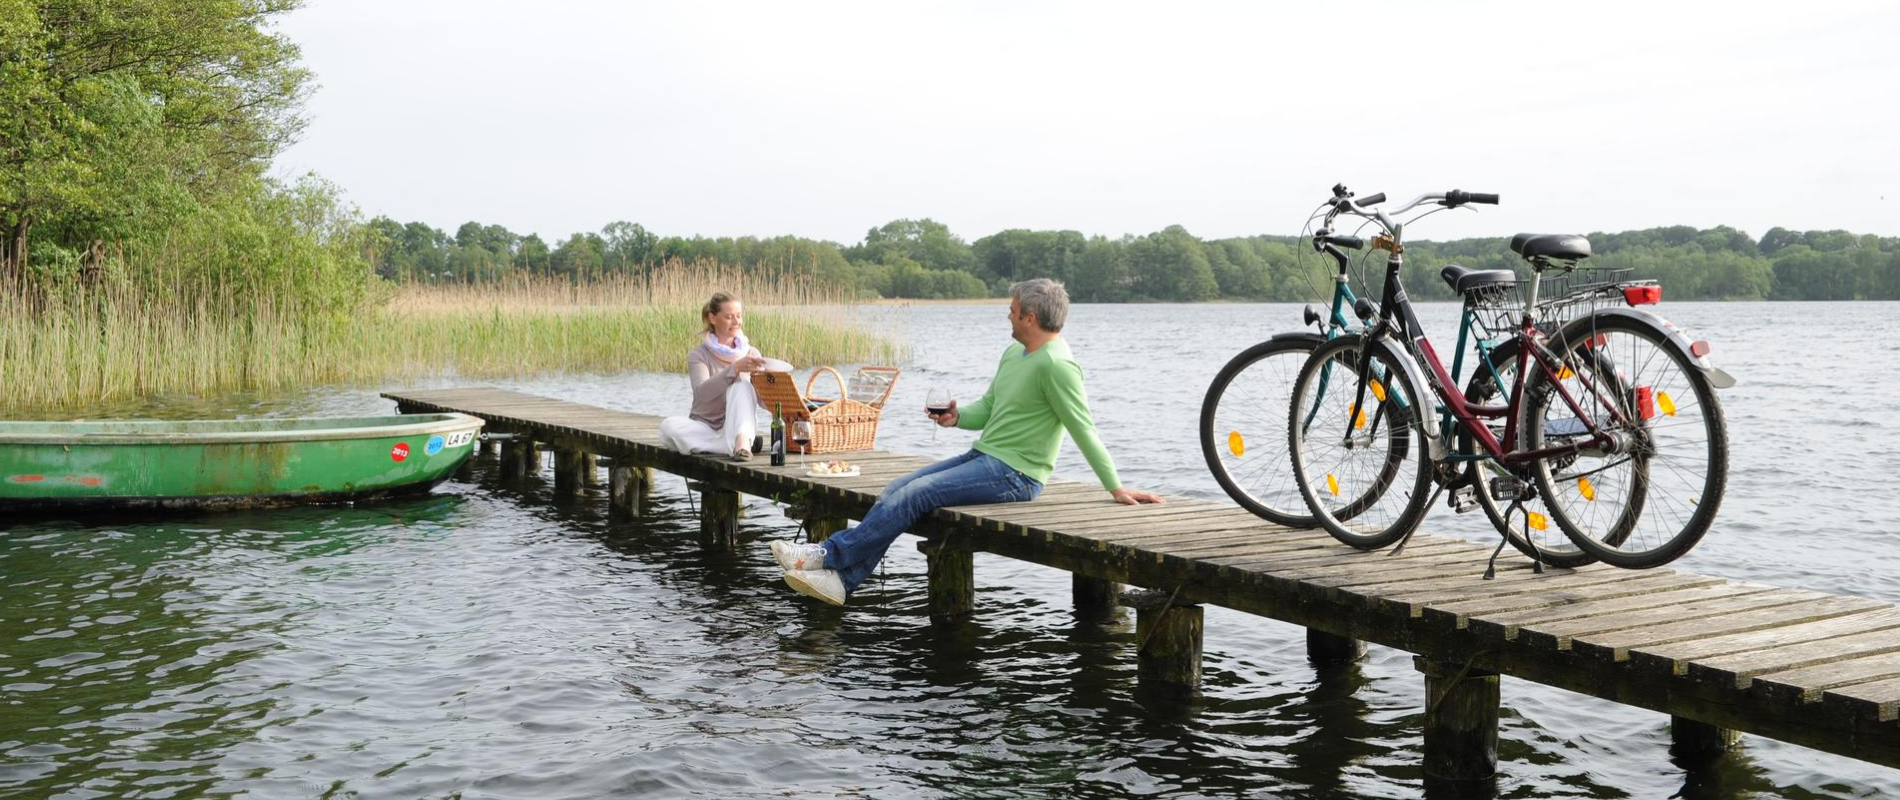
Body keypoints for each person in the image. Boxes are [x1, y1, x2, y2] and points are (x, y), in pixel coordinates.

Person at [771, 278, 1163, 606]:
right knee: (899, 486)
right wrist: (957, 417)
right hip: (986, 457)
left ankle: (826, 556)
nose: (1006, 315)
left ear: (1030, 317)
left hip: (1018, 475)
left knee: (918, 493)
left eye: (1012, 310)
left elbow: (1083, 427)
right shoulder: (1015, 353)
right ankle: (842, 581)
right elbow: (991, 408)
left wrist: (1115, 487)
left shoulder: (1058, 366)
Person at [658, 292, 782, 460]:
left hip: (738, 427)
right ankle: (733, 445)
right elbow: (702, 393)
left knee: (741, 387)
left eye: (739, 316)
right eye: (729, 317)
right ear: (713, 318)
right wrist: (735, 368)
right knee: (667, 428)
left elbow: (761, 399)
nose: (737, 322)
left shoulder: (751, 353)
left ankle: (741, 441)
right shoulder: (699, 355)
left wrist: (781, 399)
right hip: (705, 427)